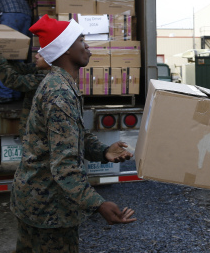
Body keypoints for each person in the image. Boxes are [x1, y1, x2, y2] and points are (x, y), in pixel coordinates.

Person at [10, 15, 136, 252]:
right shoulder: (60, 94)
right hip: (46, 208)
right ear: (66, 49)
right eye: (81, 40)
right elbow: (65, 167)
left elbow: (74, 135)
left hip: (42, 203)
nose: (87, 45)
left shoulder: (62, 85)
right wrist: (99, 204)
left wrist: (103, 151)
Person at [0, 33, 50, 138]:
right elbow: (20, 68)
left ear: (51, 59)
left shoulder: (46, 78)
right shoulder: (42, 70)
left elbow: (13, 80)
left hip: (38, 137)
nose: (36, 56)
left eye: (41, 55)